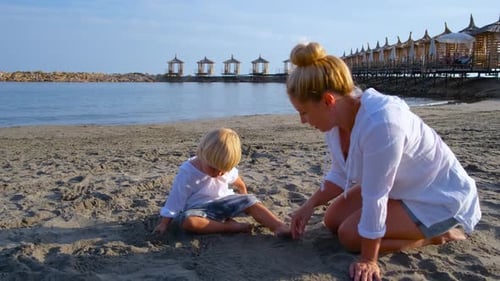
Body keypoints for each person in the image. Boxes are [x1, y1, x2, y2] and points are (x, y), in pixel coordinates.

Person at [285, 42, 481, 281]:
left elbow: (375, 197)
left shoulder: (382, 123)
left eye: (303, 112)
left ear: (328, 101)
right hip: (401, 187)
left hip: (436, 197)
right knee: (332, 218)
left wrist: (369, 259)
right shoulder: (335, 121)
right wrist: (309, 205)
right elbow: (340, 172)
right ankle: (410, 227)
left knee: (349, 236)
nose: (302, 121)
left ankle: (436, 236)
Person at [154, 127, 290, 237]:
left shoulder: (223, 165)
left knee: (252, 201)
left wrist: (243, 193)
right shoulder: (188, 172)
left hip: (224, 202)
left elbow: (237, 180)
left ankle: (278, 226)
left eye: (224, 170)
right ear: (202, 154)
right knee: (188, 222)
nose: (219, 173)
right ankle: (228, 227)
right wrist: (164, 223)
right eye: (214, 168)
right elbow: (175, 199)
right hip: (200, 210)